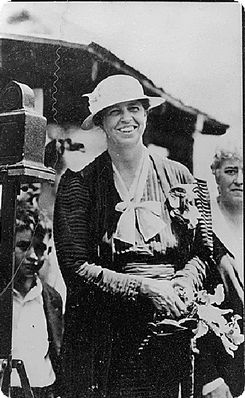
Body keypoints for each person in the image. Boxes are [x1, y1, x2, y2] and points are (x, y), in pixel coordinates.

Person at [53, 74, 214, 398]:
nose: (127, 118)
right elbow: (75, 268)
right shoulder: (80, 184)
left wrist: (183, 284)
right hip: (107, 344)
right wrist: (143, 288)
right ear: (100, 121)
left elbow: (203, 251)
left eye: (134, 109)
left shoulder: (179, 176)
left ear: (146, 113)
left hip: (170, 334)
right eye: (115, 111)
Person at [194, 144, 244, 398]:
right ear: (215, 172)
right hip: (220, 369)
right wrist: (209, 377)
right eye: (231, 171)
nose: (240, 180)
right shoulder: (202, 224)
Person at [8, 199, 64, 398]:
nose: (32, 256)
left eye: (39, 248)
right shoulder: (4, 297)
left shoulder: (51, 298)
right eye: (23, 246)